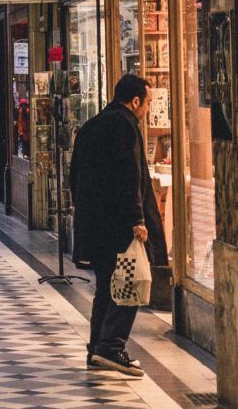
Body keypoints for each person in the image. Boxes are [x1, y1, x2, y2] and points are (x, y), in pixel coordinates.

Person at [69, 74, 168, 377]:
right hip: (117, 229)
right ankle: (111, 347)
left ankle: (97, 348)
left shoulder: (93, 124)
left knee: (106, 288)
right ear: (135, 100)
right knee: (129, 285)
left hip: (93, 226)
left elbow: (75, 177)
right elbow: (129, 176)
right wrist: (137, 220)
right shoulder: (125, 126)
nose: (147, 109)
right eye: (147, 103)